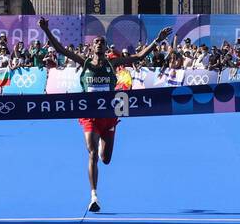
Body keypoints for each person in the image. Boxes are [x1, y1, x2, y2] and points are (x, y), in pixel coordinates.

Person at [38, 17, 171, 213]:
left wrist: (157, 40)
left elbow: (137, 57)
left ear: (106, 46)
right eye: (96, 42)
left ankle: (102, 142)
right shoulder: (84, 63)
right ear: (92, 47)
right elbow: (61, 50)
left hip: (109, 116)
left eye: (102, 42)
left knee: (105, 158)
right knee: (92, 155)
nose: (99, 44)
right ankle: (94, 196)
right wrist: (47, 30)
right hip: (89, 115)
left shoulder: (112, 63)